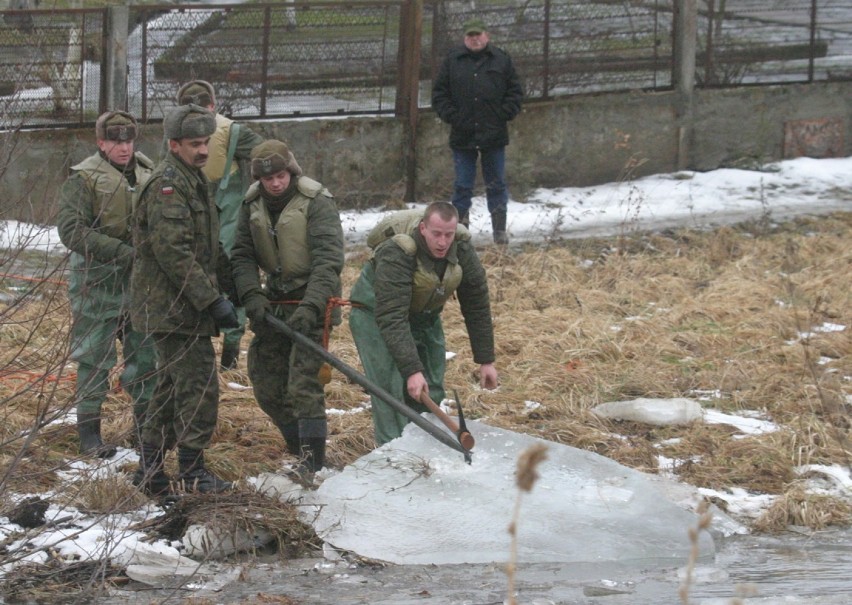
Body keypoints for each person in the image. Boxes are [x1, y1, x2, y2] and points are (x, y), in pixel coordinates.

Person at [129, 104, 240, 495]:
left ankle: (150, 468)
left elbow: (207, 246)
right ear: (173, 144)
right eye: (195, 144)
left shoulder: (192, 179)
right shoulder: (169, 186)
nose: (204, 150)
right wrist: (212, 301)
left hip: (182, 305)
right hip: (172, 306)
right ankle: (193, 471)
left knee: (171, 388)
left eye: (207, 142)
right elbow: (174, 253)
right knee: (199, 385)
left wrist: (234, 287)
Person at [230, 140, 344, 477]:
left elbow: (329, 260)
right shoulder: (250, 205)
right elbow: (242, 255)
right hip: (273, 301)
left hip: (314, 300)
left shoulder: (316, 201)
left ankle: (314, 462)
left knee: (303, 383)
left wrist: (311, 306)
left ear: (290, 171)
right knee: (265, 381)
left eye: (281, 176)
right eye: (268, 179)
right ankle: (297, 445)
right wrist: (252, 295)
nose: (276, 184)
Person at [349, 201, 499, 446]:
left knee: (431, 387)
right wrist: (411, 370)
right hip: (376, 315)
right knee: (391, 390)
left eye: (448, 235)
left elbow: (477, 304)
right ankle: (395, 454)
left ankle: (422, 447)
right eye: (436, 234)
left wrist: (486, 360)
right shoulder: (397, 252)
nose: (442, 242)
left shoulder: (461, 249)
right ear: (423, 229)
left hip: (424, 314)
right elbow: (392, 317)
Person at [56, 110, 158, 458]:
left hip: (141, 282)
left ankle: (147, 432)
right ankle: (90, 435)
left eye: (128, 140)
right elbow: (72, 231)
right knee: (94, 358)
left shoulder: (150, 172)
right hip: (96, 282)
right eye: (115, 140)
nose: (123, 147)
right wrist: (120, 251)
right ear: (101, 142)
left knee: (146, 356)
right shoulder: (83, 179)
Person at [176, 79, 264, 371]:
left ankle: (230, 353)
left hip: (228, 217)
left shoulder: (233, 133)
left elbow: (270, 157)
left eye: (204, 110)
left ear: (213, 107)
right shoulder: (176, 138)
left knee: (231, 276)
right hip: (189, 211)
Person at [431, 18, 523, 244]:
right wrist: (452, 116)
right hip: (463, 135)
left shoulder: (501, 59)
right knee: (462, 186)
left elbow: (516, 91)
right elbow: (439, 94)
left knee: (497, 185)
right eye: (470, 35)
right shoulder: (453, 61)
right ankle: (460, 235)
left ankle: (499, 233)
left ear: (487, 35)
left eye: (478, 34)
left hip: (494, 135)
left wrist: (504, 114)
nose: (475, 39)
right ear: (464, 38)